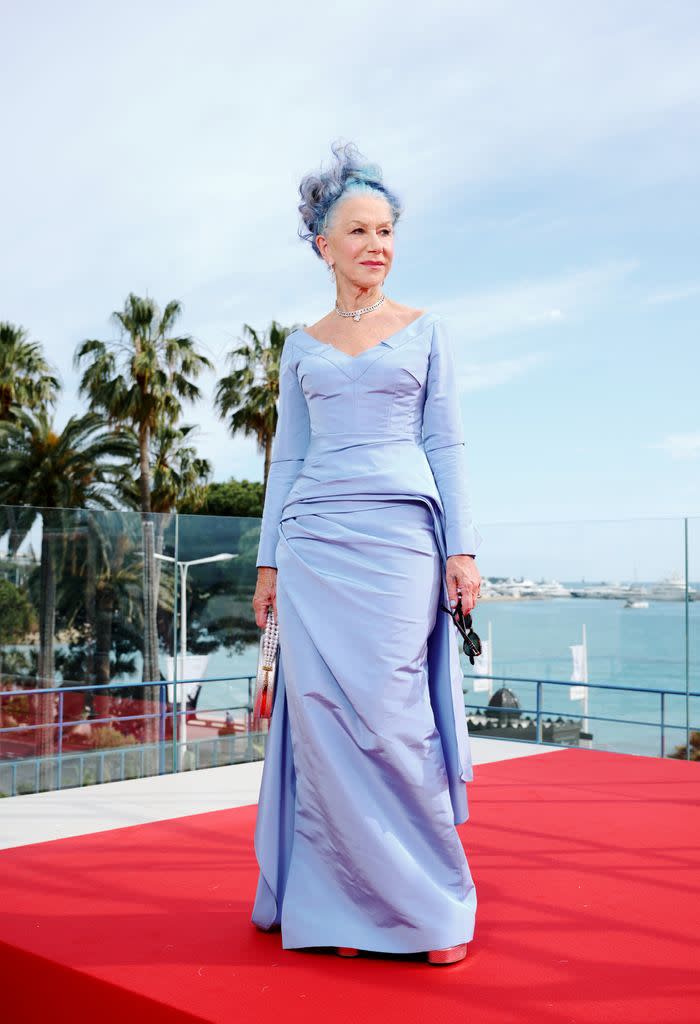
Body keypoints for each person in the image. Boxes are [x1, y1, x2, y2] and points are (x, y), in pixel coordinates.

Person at [250, 139, 483, 966]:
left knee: (392, 721)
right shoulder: (300, 345)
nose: (376, 245)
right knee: (323, 726)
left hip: (398, 541)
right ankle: (343, 904)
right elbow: (288, 458)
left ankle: (427, 908)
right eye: (358, 230)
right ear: (323, 243)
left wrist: (463, 552)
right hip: (313, 546)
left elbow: (445, 444)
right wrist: (268, 566)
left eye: (386, 230)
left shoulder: (426, 331)